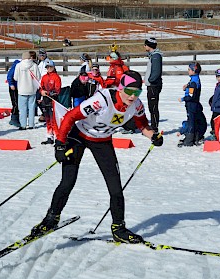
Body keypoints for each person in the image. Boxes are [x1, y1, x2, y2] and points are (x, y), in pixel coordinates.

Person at [30, 70, 164, 244]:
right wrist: (60, 144)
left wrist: (153, 136)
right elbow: (71, 116)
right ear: (121, 88)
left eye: (137, 92)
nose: (132, 96)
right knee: (68, 181)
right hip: (78, 136)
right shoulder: (102, 99)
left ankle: (118, 228)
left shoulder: (137, 105)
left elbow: (142, 124)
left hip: (102, 141)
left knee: (115, 187)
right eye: (129, 91)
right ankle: (50, 219)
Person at [177, 62, 207, 147]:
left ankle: (189, 141)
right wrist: (187, 87)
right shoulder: (194, 79)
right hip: (194, 104)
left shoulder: (193, 82)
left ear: (194, 71)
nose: (188, 71)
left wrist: (183, 99)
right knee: (193, 121)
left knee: (191, 122)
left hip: (191, 105)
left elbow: (191, 95)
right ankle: (195, 137)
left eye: (189, 69)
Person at [14, 52, 41, 130]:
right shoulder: (34, 65)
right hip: (32, 89)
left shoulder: (18, 65)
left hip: (22, 89)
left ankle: (23, 125)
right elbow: (38, 77)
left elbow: (15, 78)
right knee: (32, 108)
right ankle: (31, 124)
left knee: (22, 108)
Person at [39, 60, 62, 145]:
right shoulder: (44, 77)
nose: (49, 69)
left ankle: (57, 138)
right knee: (48, 120)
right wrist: (41, 91)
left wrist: (48, 93)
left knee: (54, 121)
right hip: (45, 101)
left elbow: (57, 90)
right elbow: (40, 87)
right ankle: (49, 137)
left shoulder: (56, 77)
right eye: (47, 67)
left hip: (53, 101)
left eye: (50, 67)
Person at [144, 37, 163, 133]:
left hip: (153, 86)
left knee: (153, 107)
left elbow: (156, 72)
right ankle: (153, 126)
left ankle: (154, 128)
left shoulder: (156, 56)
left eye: (145, 45)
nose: (144, 46)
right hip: (151, 85)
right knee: (151, 106)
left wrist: (150, 80)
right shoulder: (152, 56)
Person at [7, 58, 21, 127]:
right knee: (15, 103)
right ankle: (14, 118)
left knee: (18, 102)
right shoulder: (15, 67)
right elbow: (9, 76)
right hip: (13, 87)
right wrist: (11, 84)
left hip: (18, 87)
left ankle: (15, 117)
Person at [37, 49, 50, 122]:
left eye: (42, 55)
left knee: (44, 100)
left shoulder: (47, 62)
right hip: (39, 83)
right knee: (37, 99)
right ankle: (44, 113)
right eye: (40, 55)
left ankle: (46, 114)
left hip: (45, 84)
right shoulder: (40, 63)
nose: (41, 57)